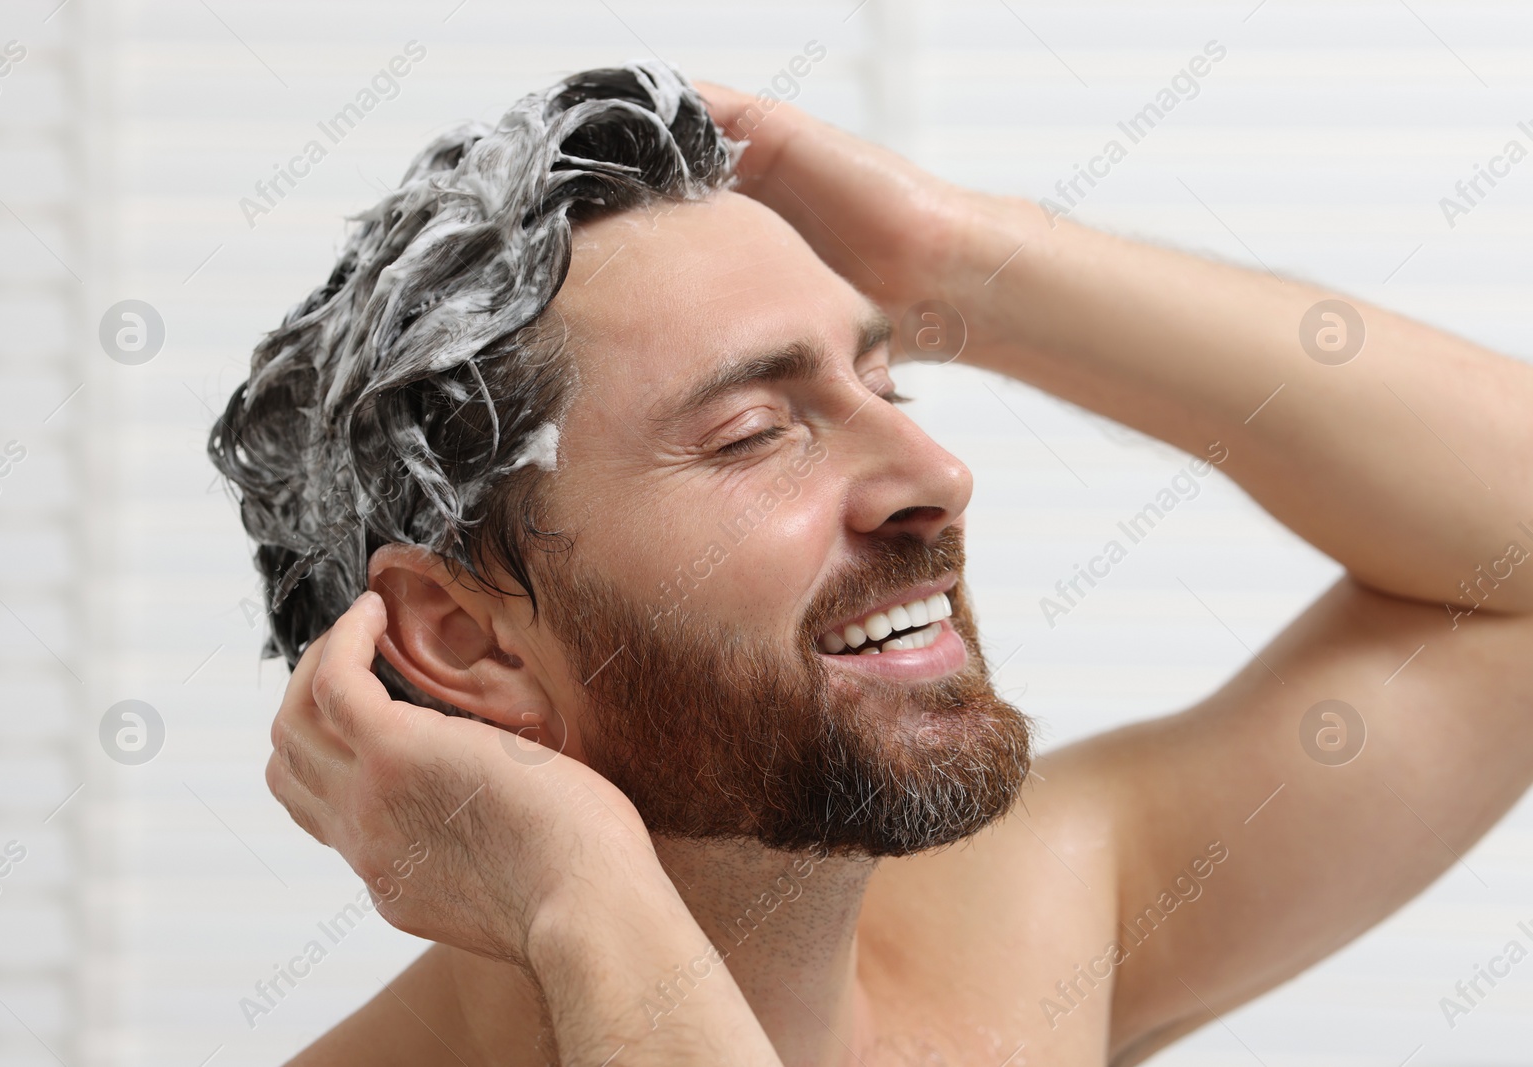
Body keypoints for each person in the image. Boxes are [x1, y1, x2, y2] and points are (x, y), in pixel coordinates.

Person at [216, 62, 1533, 1066]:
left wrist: (956, 256)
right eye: (753, 432)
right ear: (465, 638)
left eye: (890, 379)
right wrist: (578, 897)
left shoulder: (1021, 942)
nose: (935, 476)